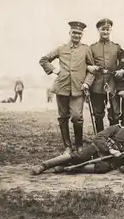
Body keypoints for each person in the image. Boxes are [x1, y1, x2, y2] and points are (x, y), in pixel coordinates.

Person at [31, 106, 124, 175]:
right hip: (98, 149)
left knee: (103, 168)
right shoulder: (116, 128)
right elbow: (98, 137)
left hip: (110, 160)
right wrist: (110, 150)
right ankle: (44, 165)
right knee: (79, 156)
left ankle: (66, 168)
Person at [39, 21, 94, 153]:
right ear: (70, 33)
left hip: (78, 88)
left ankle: (79, 145)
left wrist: (87, 83)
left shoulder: (86, 49)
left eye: (79, 33)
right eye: (74, 32)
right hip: (62, 88)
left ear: (82, 35)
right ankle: (67, 147)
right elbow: (43, 60)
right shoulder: (61, 49)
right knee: (63, 117)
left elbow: (91, 70)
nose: (76, 35)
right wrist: (55, 70)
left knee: (77, 117)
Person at [84, 18, 123, 132]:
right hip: (96, 85)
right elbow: (86, 63)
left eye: (107, 29)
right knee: (98, 114)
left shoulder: (116, 47)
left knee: (114, 114)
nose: (105, 32)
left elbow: (123, 63)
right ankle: (100, 138)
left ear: (111, 30)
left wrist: (121, 71)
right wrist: (88, 67)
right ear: (98, 30)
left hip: (112, 84)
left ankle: (114, 138)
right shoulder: (92, 47)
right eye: (103, 29)